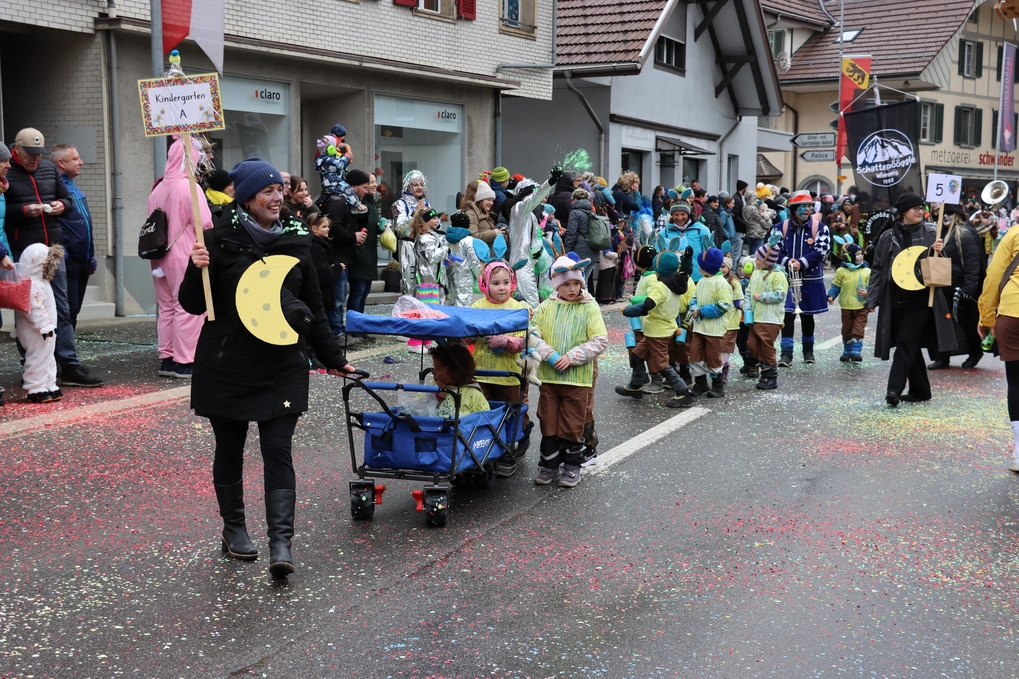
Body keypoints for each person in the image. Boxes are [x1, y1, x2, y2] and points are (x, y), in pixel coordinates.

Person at [180, 157, 357, 579]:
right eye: (267, 192)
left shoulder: (297, 240)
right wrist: (195, 267)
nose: (277, 197)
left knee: (277, 449)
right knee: (230, 449)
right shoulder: (215, 239)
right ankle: (234, 529)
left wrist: (333, 358)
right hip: (228, 363)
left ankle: (281, 542)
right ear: (246, 199)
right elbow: (192, 305)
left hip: (282, 363)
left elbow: (314, 305)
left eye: (279, 189)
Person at [4, 128, 101, 387]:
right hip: (23, 252)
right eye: (30, 155)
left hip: (53, 250)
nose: (35, 159)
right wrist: (24, 210)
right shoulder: (7, 173)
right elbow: (3, 212)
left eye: (39, 154)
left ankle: (69, 364)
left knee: (61, 307)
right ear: (17, 150)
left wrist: (62, 206)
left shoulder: (48, 169)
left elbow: (66, 199)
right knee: (28, 310)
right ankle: (33, 364)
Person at [866, 192, 953, 407]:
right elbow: (878, 268)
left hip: (922, 298)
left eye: (921, 208)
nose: (920, 211)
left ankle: (893, 390)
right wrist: (872, 298)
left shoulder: (931, 233)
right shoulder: (887, 236)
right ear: (903, 211)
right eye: (915, 208)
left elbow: (942, 266)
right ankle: (921, 390)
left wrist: (939, 252)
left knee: (905, 341)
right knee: (908, 344)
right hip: (896, 298)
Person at [530, 255, 608, 487]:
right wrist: (549, 354)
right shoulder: (546, 307)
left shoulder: (589, 307)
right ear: (556, 285)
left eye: (576, 283)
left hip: (577, 380)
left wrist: (571, 357)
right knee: (548, 421)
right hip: (549, 378)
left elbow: (599, 340)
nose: (572, 289)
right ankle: (548, 465)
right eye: (566, 284)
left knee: (572, 423)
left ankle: (572, 466)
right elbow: (532, 333)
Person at [147, 135, 214, 379]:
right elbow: (204, 223)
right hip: (184, 253)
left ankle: (167, 358)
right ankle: (186, 361)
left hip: (159, 254)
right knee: (187, 306)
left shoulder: (158, 188)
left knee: (166, 307)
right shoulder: (190, 187)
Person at [616, 250, 694, 408]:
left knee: (661, 365)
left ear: (658, 268)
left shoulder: (660, 287)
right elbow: (686, 272)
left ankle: (683, 392)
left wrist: (628, 311)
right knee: (637, 354)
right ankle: (635, 385)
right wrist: (687, 259)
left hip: (658, 332)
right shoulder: (677, 281)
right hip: (662, 328)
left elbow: (648, 305)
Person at [978, 206, 1019, 470]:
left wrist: (986, 316)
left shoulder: (1014, 233)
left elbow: (993, 276)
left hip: (1012, 313)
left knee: (1016, 382)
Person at [771, 190, 830, 366]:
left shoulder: (820, 228)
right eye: (803, 206)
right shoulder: (780, 227)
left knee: (807, 316)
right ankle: (786, 354)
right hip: (787, 278)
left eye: (809, 206)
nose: (807, 210)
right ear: (794, 209)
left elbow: (821, 251)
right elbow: (773, 249)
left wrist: (802, 263)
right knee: (787, 315)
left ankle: (808, 351)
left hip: (810, 279)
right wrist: (787, 261)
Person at [927, 204, 986, 370]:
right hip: (944, 289)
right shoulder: (940, 233)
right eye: (942, 214)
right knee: (944, 322)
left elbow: (973, 263)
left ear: (957, 215)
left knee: (967, 324)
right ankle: (942, 357)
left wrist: (968, 290)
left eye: (949, 213)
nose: (945, 216)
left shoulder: (964, 233)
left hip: (961, 291)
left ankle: (975, 352)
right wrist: (934, 250)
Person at [321, 169, 372, 345]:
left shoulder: (351, 201)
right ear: (354, 186)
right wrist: (353, 237)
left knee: (340, 296)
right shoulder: (338, 201)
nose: (366, 191)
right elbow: (333, 226)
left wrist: (363, 214)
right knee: (336, 297)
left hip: (343, 255)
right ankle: (336, 333)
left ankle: (338, 330)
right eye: (364, 187)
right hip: (335, 256)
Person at [51, 144, 96, 329]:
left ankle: (68, 345)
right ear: (61, 163)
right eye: (75, 159)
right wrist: (64, 254)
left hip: (82, 261)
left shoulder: (73, 188)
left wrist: (90, 257)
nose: (81, 162)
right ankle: (62, 346)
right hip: (68, 261)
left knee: (74, 310)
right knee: (68, 309)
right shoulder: (54, 190)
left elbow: (86, 227)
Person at [15, 243, 65, 403]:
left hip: (45, 330)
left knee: (47, 357)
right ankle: (35, 388)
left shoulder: (40, 282)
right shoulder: (32, 284)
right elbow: (33, 307)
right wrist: (43, 325)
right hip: (37, 330)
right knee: (37, 357)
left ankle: (49, 384)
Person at [688, 248, 733, 398]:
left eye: (700, 264)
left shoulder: (722, 284)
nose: (698, 266)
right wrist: (694, 307)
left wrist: (702, 311)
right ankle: (701, 382)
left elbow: (724, 306)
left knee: (713, 357)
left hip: (714, 330)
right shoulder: (701, 282)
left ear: (706, 266)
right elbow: (694, 298)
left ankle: (718, 385)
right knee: (695, 355)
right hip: (699, 327)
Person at [743, 244, 789, 390]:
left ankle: (770, 376)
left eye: (758, 259)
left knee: (767, 347)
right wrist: (747, 306)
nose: (755, 261)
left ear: (767, 261)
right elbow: (749, 292)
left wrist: (762, 297)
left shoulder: (778, 276)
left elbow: (780, 295)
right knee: (752, 345)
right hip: (755, 317)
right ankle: (762, 366)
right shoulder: (756, 273)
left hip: (770, 319)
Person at [345, 172, 380, 329]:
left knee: (364, 292)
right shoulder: (355, 203)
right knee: (357, 292)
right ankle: (354, 327)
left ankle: (360, 326)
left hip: (369, 253)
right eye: (369, 183)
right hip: (359, 253)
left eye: (374, 182)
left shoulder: (371, 203)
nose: (373, 185)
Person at [827, 243, 870, 362]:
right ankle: (847, 350)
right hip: (846, 305)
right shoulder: (841, 271)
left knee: (858, 327)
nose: (861, 256)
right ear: (849, 256)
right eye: (858, 254)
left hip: (861, 305)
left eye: (861, 254)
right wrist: (831, 295)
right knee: (846, 329)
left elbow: (873, 287)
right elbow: (836, 285)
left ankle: (856, 350)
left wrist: (867, 292)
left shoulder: (866, 271)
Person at [392, 170, 430, 295]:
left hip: (424, 246)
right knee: (409, 280)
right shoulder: (399, 204)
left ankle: (424, 305)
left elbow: (433, 223)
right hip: (408, 245)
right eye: (415, 184)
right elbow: (400, 228)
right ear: (408, 186)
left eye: (421, 184)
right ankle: (408, 304)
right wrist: (415, 212)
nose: (419, 187)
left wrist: (437, 220)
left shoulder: (425, 203)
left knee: (425, 279)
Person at [431, 342, 490, 418]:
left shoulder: (473, 394)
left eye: (438, 368)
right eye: (434, 367)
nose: (433, 372)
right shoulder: (433, 387)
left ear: (455, 371)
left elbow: (484, 419)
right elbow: (420, 408)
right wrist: (435, 396)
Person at [657, 203, 713, 282]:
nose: (679, 218)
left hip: (697, 277)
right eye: (676, 214)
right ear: (672, 215)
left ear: (688, 214)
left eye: (683, 214)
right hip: (673, 279)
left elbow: (710, 251)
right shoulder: (665, 232)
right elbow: (658, 256)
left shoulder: (701, 229)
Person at [410, 207, 448, 308]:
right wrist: (446, 250)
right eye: (433, 218)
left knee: (432, 307)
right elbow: (431, 256)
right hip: (428, 279)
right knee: (430, 309)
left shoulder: (428, 235)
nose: (437, 221)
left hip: (431, 278)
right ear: (425, 221)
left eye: (437, 218)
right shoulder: (426, 238)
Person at [444, 212, 482, 308]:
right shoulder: (468, 240)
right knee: (465, 303)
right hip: (465, 278)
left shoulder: (445, 239)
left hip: (449, 276)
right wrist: (480, 277)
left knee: (452, 301)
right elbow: (474, 261)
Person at [564, 188, 599, 284]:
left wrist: (566, 251)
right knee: (584, 281)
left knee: (579, 282)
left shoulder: (575, 212)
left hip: (580, 252)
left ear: (575, 199)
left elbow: (571, 233)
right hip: (594, 251)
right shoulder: (592, 212)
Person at [461, 180, 502, 245]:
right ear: (480, 200)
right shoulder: (471, 213)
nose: (491, 203)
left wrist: (499, 234)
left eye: (492, 200)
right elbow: (471, 237)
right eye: (488, 200)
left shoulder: (485, 214)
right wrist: (494, 233)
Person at [732, 180, 749, 257]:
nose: (747, 190)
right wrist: (744, 223)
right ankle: (734, 265)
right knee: (737, 251)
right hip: (738, 229)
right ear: (743, 188)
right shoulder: (737, 199)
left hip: (738, 228)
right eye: (746, 188)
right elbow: (736, 216)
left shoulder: (738, 198)